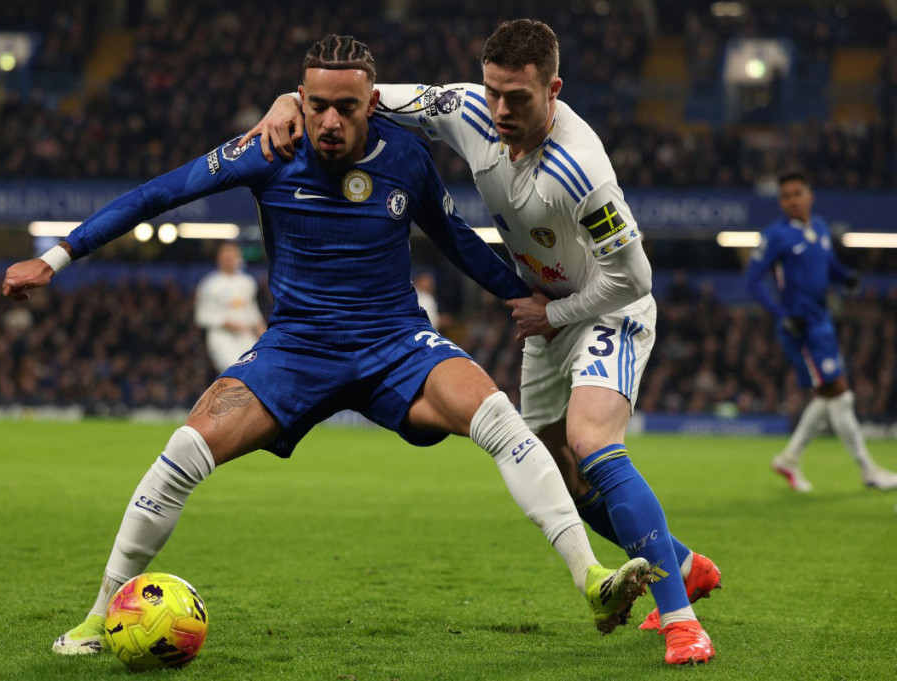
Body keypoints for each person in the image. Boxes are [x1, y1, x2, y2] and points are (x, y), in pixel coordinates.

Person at [2, 35, 653, 659]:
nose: (331, 120)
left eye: (348, 106)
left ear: (373, 103)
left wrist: (531, 300)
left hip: (397, 343)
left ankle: (592, 578)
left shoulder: (405, 157)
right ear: (298, 100)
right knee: (183, 451)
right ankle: (97, 614)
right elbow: (159, 194)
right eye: (317, 105)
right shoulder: (267, 149)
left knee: (501, 419)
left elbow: (455, 241)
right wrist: (57, 257)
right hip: (295, 350)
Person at [244, 20, 717, 665]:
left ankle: (683, 623)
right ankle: (681, 563)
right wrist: (286, 101)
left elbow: (635, 276)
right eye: (492, 91)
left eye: (517, 98)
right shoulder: (462, 107)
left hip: (606, 307)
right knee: (560, 472)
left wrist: (560, 314)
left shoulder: (583, 171)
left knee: (592, 442)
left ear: (553, 90)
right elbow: (361, 95)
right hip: (548, 315)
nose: (499, 110)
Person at [745, 170, 897, 493]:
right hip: (800, 329)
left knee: (828, 395)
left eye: (797, 193)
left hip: (822, 321)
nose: (792, 201)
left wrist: (845, 278)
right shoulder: (776, 236)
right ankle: (868, 470)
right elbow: (752, 282)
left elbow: (829, 266)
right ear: (780, 202)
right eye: (785, 196)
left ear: (810, 195)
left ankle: (789, 457)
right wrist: (782, 315)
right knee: (840, 393)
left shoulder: (820, 228)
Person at [194, 241, 266, 372]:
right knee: (233, 372)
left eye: (233, 256)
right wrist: (224, 322)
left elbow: (252, 311)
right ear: (219, 259)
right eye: (226, 257)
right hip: (222, 337)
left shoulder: (247, 282)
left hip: (246, 335)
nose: (230, 260)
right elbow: (201, 316)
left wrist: (264, 336)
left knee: (253, 371)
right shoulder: (210, 284)